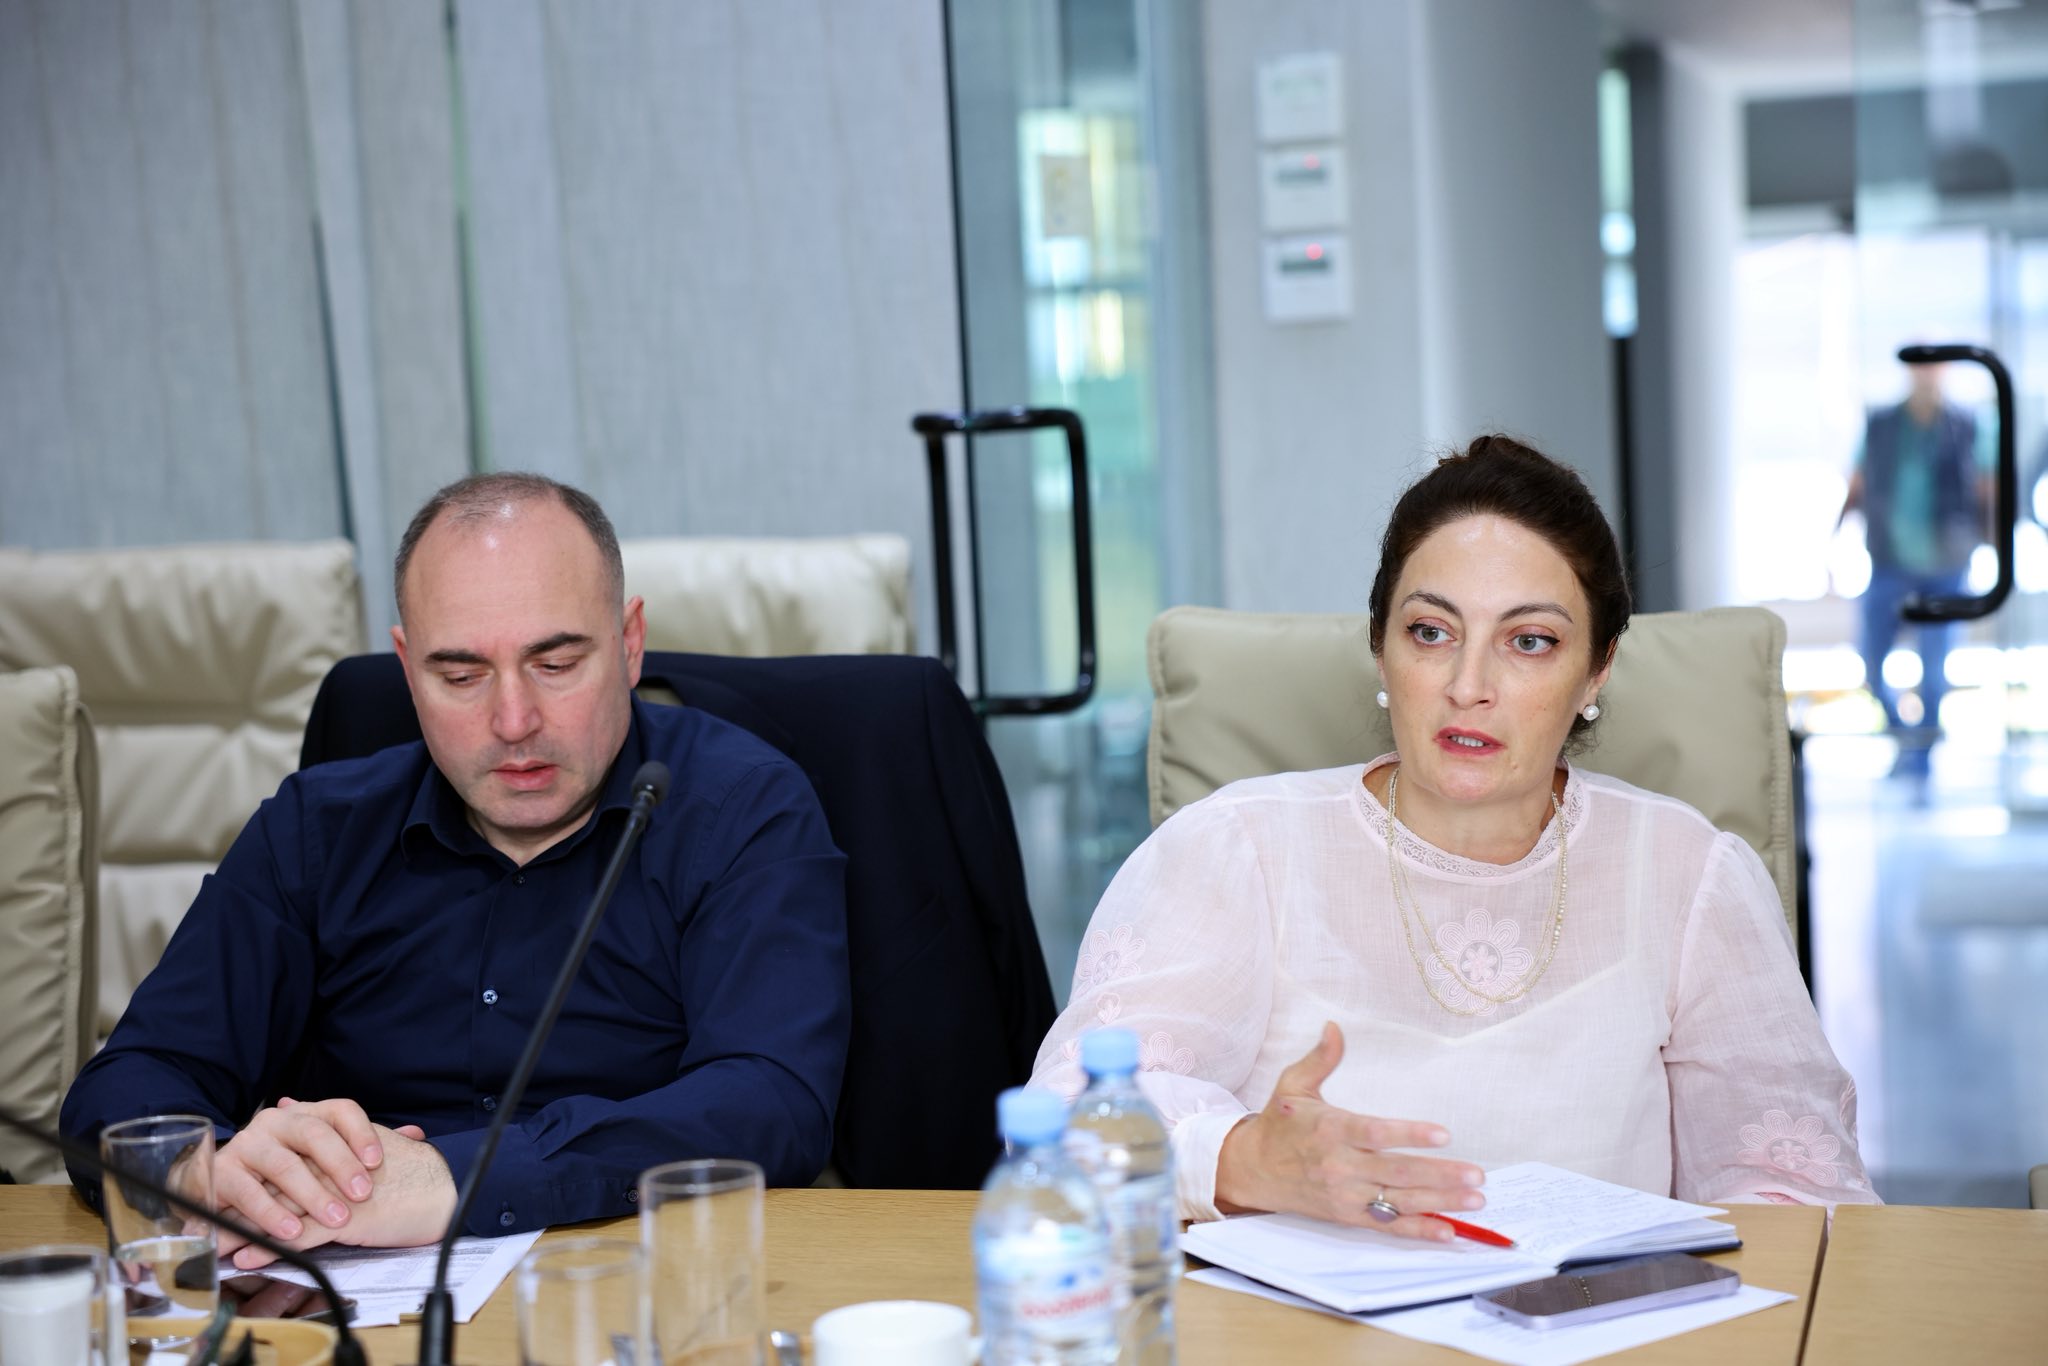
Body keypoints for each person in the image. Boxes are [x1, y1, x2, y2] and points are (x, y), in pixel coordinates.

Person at [1030, 436, 1877, 1239]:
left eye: (1530, 642)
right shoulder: (1235, 849)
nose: (1469, 685)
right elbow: (1068, 1124)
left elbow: (1796, 1195)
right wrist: (1242, 1160)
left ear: (1598, 670)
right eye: (1431, 633)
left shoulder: (1688, 875)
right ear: (1380, 647)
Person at [61, 473, 851, 1266]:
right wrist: (213, 1174)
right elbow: (132, 1077)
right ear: (408, 668)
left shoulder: (743, 809)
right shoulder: (315, 829)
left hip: (633, 1273)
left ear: (629, 641)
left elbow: (771, 1099)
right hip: (334, 1279)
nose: (514, 721)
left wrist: (454, 1178)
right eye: (462, 677)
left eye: (555, 663)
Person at [1837, 360, 1992, 749]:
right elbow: (1857, 483)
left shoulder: (1967, 424)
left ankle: (1921, 755)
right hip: (1889, 563)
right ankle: (1903, 738)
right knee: (1871, 661)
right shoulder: (1882, 424)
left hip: (1947, 566)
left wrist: (1994, 542)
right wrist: (1835, 540)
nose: (1927, 373)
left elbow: (1985, 487)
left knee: (1935, 672)